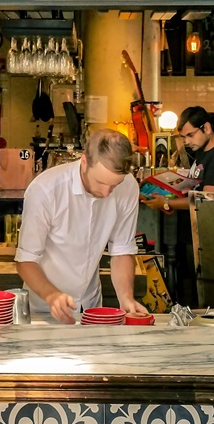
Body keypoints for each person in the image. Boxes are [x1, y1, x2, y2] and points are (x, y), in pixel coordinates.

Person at [14, 128, 149, 323]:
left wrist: (126, 297)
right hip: (43, 308)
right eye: (101, 182)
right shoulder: (46, 190)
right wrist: (52, 295)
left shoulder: (128, 187)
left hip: (91, 306)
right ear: (84, 161)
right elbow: (26, 260)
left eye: (114, 185)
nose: (106, 192)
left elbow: (122, 250)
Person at [143, 106, 214, 214]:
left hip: (211, 227)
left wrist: (167, 202)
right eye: (183, 137)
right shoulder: (202, 150)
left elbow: (208, 199)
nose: (187, 141)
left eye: (190, 135)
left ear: (206, 128)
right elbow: (198, 189)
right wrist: (173, 200)